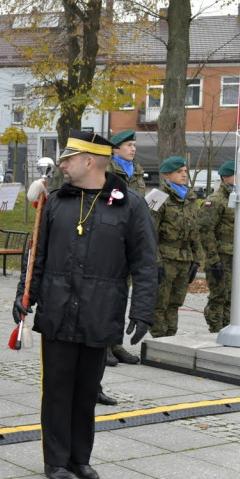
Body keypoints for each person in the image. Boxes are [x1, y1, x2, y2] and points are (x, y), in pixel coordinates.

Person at [14, 129, 157, 479]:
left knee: (87, 390)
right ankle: (56, 461)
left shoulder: (130, 204)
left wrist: (142, 312)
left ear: (89, 161)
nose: (62, 165)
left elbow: (145, 263)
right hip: (59, 310)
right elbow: (37, 254)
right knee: (58, 389)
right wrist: (24, 295)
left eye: (68, 159)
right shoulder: (56, 202)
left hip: (100, 311)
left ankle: (81, 458)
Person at [102, 129, 146, 368]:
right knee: (107, 295)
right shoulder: (108, 170)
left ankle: (116, 344)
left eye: (134, 145)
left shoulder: (136, 171)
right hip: (112, 237)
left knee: (121, 295)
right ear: (116, 148)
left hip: (131, 237)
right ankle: (104, 345)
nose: (133, 148)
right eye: (129, 145)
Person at [150, 155, 203, 337]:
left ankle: (171, 337)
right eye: (178, 172)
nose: (184, 175)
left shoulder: (189, 197)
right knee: (160, 302)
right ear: (166, 175)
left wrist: (196, 259)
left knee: (175, 302)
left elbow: (195, 231)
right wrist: (155, 262)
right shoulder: (157, 197)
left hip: (184, 258)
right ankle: (159, 338)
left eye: (185, 171)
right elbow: (150, 233)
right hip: (165, 257)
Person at [200, 159, 237, 332]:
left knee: (232, 296)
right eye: (236, 174)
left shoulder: (239, 199)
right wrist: (214, 260)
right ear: (225, 177)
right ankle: (216, 329)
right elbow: (206, 230)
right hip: (221, 256)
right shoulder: (216, 200)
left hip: (235, 256)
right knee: (219, 296)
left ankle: (228, 327)